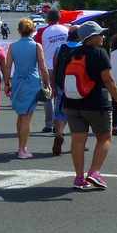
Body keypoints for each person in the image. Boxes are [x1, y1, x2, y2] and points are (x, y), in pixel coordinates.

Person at [60, 21, 117, 190]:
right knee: (104, 137)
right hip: (96, 103)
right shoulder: (100, 53)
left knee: (78, 139)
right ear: (92, 37)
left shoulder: (71, 53)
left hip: (72, 103)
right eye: (100, 34)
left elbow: (61, 79)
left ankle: (79, 178)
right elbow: (109, 80)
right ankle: (94, 172)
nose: (103, 37)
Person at [3, 18, 50, 159]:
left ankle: (21, 146)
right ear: (33, 31)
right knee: (26, 118)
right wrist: (47, 83)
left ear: (19, 31)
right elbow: (43, 67)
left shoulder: (12, 46)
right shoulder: (36, 46)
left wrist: (6, 83)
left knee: (20, 115)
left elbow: (7, 66)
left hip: (18, 82)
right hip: (32, 83)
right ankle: (22, 149)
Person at [47, 26, 81, 156]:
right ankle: (78, 143)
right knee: (79, 114)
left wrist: (53, 85)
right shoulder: (84, 48)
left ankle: (59, 134)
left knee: (60, 112)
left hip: (62, 85)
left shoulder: (60, 48)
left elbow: (55, 68)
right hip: (80, 87)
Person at [35, 10, 68, 134]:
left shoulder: (42, 31)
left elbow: (37, 47)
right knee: (62, 95)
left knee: (48, 95)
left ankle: (49, 124)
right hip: (64, 67)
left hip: (48, 66)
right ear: (59, 18)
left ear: (47, 19)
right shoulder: (66, 30)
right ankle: (60, 124)